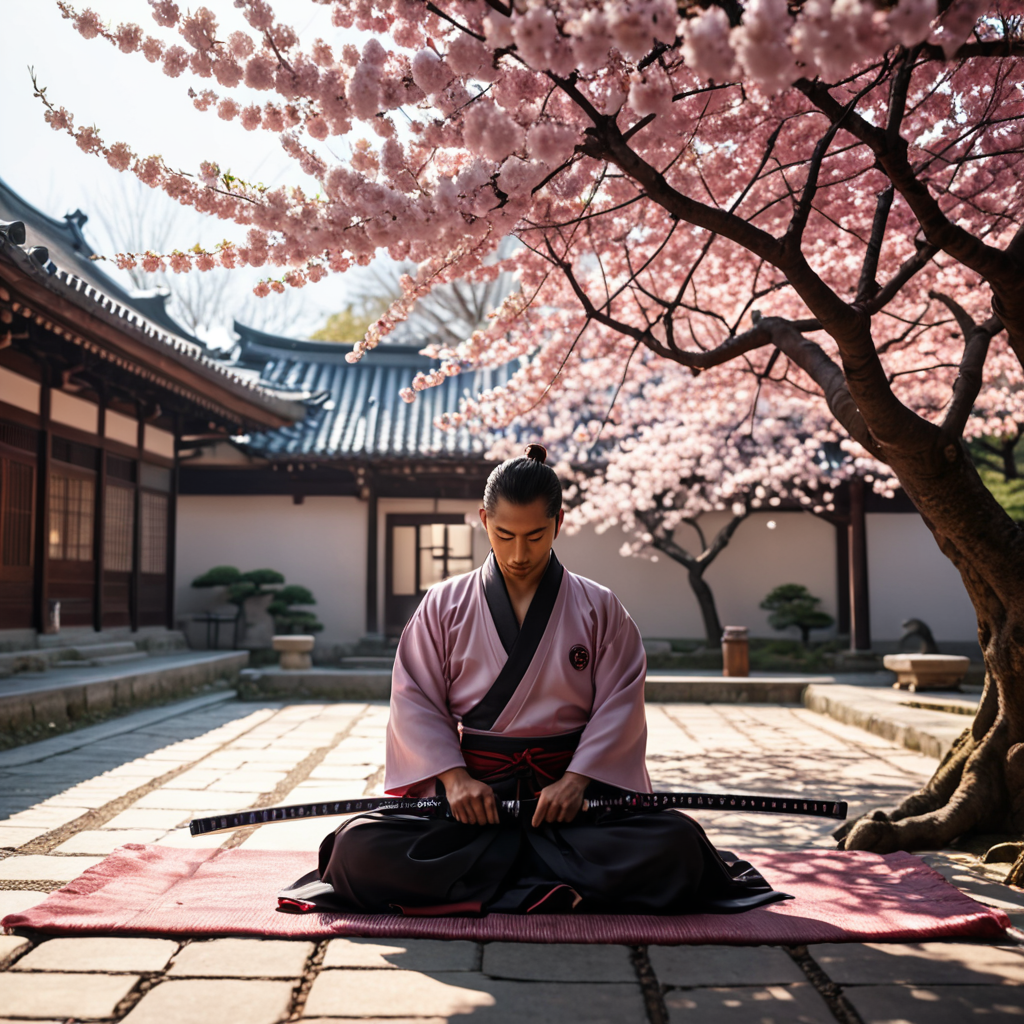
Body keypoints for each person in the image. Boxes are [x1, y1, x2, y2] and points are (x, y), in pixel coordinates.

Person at [281, 444, 787, 916]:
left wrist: (577, 781)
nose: (519, 553)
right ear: (484, 521)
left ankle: (500, 881)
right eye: (504, 535)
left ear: (559, 523)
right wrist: (455, 781)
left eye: (534, 535)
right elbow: (415, 702)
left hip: (573, 806)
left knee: (675, 845)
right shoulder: (443, 605)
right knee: (358, 847)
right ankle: (556, 883)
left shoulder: (600, 607)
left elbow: (620, 705)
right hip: (474, 804)